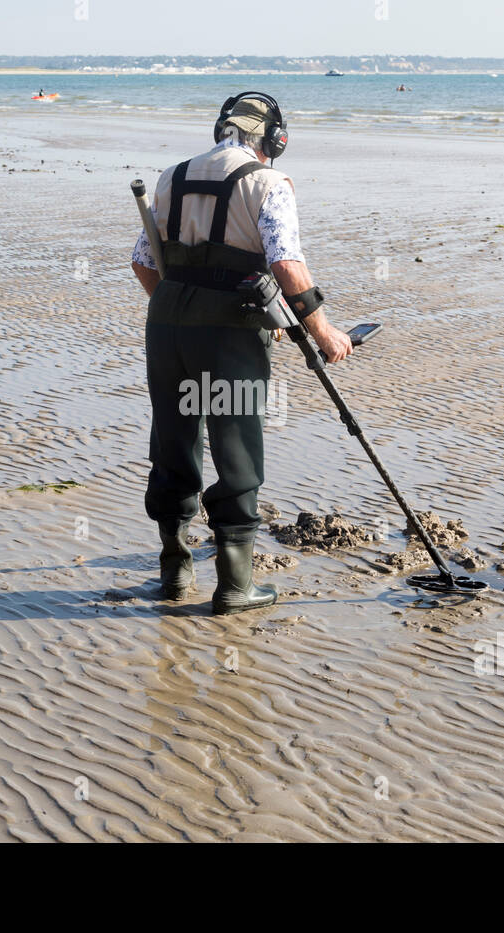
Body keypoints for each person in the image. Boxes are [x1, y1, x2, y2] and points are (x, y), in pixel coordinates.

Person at [130, 93, 352, 615]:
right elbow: (287, 265)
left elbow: (143, 262)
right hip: (229, 331)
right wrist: (322, 329)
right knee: (236, 448)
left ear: (220, 130)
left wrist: (179, 304)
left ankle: (174, 573)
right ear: (274, 140)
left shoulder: (170, 177)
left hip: (165, 323)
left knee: (174, 438)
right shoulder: (269, 183)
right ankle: (233, 586)